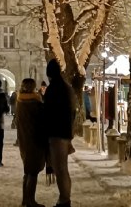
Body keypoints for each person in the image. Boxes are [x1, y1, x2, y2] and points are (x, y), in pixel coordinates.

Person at [44, 59, 76, 207]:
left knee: (60, 169)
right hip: (65, 132)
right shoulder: (67, 88)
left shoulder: (53, 89)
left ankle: (64, 200)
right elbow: (73, 112)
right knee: (63, 168)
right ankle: (64, 199)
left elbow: (48, 113)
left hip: (56, 133)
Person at [15, 78, 47, 207]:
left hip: (24, 140)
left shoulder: (20, 102)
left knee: (27, 170)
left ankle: (25, 199)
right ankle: (30, 201)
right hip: (35, 140)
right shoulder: (35, 103)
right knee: (33, 171)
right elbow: (43, 121)